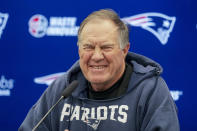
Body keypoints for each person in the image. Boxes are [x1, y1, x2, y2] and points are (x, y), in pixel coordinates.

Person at [19, 9, 180, 131]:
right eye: (88, 47)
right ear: (79, 50)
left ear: (124, 50)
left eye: (106, 47)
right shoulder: (62, 89)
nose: (96, 56)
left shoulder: (150, 90)